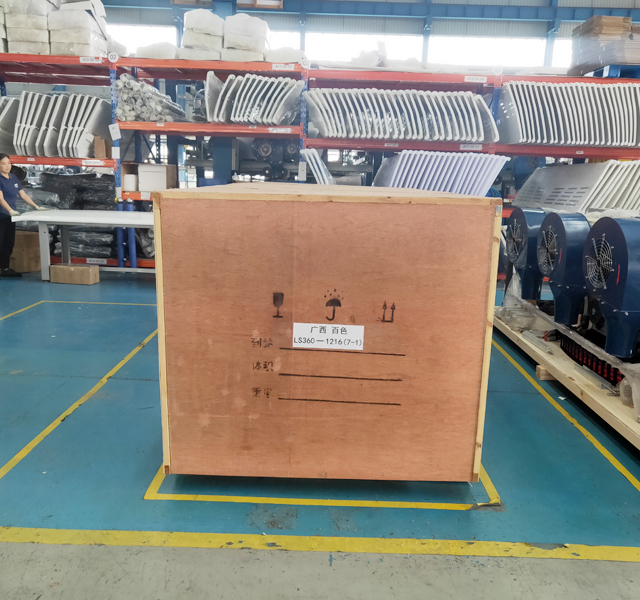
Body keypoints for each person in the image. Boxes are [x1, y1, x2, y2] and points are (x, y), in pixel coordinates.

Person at [0, 154, 47, 278]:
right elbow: (1, 198)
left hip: (10, 216)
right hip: (2, 214)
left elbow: (23, 194)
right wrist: (10, 210)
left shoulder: (13, 177)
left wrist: (36, 206)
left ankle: (4, 268)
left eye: (8, 163)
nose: (7, 166)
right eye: (3, 164)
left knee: (8, 243)